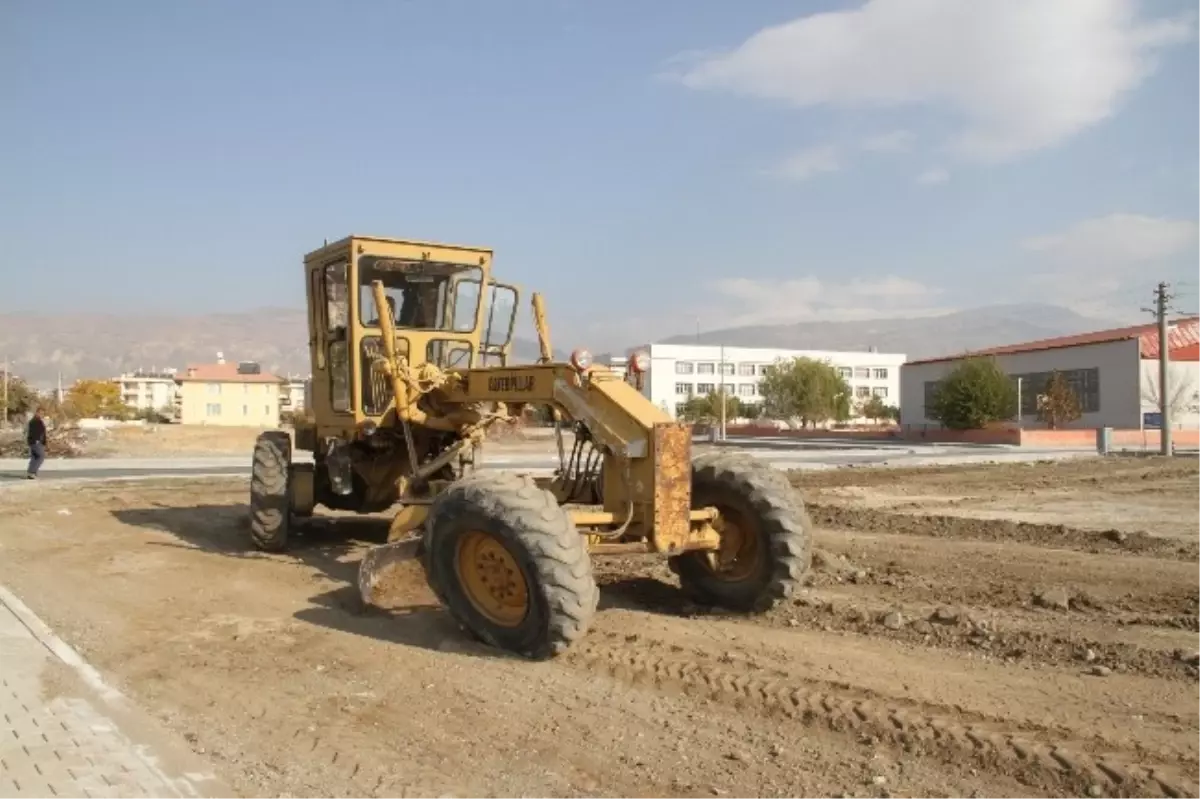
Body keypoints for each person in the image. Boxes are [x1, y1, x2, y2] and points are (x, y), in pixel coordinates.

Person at [26, 406, 46, 479]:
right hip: (35, 442)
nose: (42, 414)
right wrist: (36, 440)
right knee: (41, 456)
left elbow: (42, 432)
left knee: (34, 457)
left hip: (37, 442)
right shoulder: (34, 421)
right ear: (37, 412)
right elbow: (33, 432)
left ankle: (30, 473)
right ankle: (32, 472)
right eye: (40, 413)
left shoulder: (38, 420)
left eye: (43, 413)